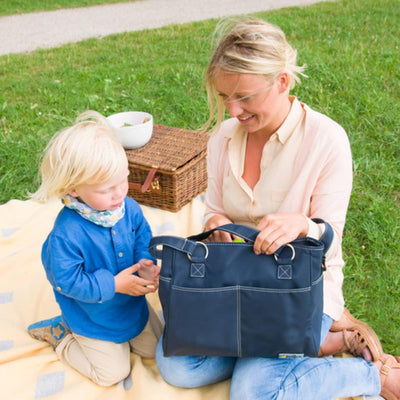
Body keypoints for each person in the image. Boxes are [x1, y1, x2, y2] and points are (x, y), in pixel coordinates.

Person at [155, 18, 400, 400]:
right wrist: (218, 223)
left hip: (296, 290)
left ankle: (371, 377)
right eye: (224, 97)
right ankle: (318, 345)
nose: (233, 111)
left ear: (282, 82)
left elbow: (329, 242)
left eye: (245, 97)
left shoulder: (326, 140)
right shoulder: (222, 138)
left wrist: (302, 224)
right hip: (234, 283)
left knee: (253, 393)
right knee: (178, 366)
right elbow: (213, 209)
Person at [27, 111, 163, 386]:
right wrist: (113, 285)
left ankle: (129, 331)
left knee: (157, 349)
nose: (119, 194)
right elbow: (67, 281)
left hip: (130, 306)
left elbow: (141, 236)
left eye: (123, 181)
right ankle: (62, 334)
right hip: (93, 317)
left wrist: (146, 263)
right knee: (112, 374)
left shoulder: (126, 207)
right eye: (106, 190)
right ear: (73, 189)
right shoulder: (65, 236)